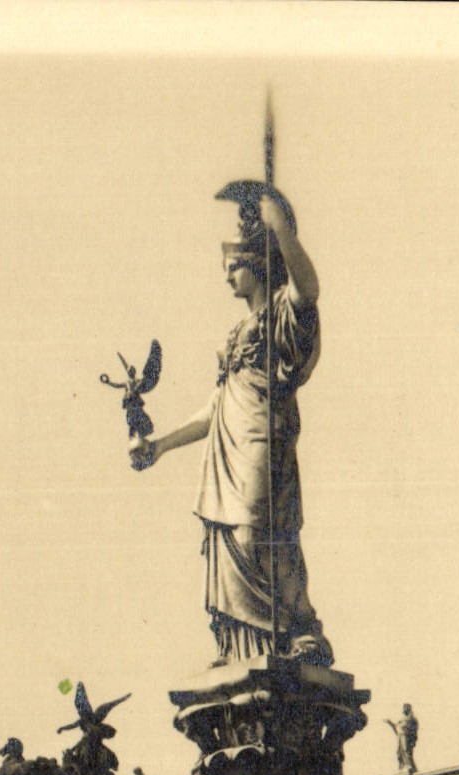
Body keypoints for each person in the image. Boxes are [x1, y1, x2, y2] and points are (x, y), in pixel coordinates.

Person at [132, 191, 331, 666]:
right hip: (228, 453)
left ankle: (294, 632)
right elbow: (216, 407)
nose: (226, 275)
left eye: (235, 265)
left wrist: (281, 229)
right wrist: (160, 446)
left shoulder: (280, 315)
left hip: (262, 445)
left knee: (257, 535)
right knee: (230, 543)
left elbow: (308, 291)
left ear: (260, 266)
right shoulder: (236, 334)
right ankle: (244, 646)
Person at [385, 704, 419, 775]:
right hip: (400, 736)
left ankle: (410, 766)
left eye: (406, 708)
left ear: (409, 709)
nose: (404, 709)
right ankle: (402, 766)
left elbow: (415, 729)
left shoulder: (412, 718)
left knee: (406, 750)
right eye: (404, 708)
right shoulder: (401, 719)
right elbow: (396, 727)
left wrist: (413, 739)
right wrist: (390, 723)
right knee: (399, 752)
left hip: (407, 736)